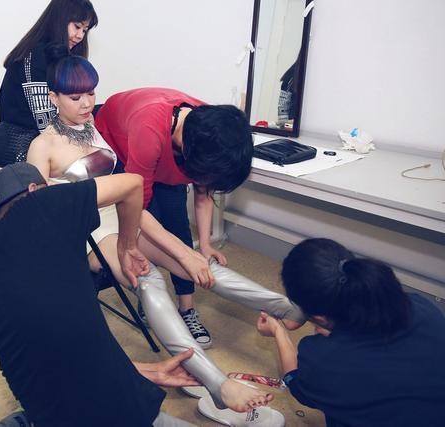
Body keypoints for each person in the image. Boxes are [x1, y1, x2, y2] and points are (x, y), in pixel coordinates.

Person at [26, 50, 304, 425]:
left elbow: (130, 196)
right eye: (76, 97)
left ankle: (291, 308)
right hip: (85, 229)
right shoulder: (43, 145)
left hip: (123, 215)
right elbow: (38, 213)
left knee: (196, 265)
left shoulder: (95, 129)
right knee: (150, 278)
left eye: (91, 93)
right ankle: (217, 384)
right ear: (53, 97)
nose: (87, 103)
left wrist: (186, 251)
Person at [0, 162, 208, 427]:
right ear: (36, 189)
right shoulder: (42, 203)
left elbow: (57, 342)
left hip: (45, 410)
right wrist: (126, 246)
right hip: (108, 413)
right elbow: (132, 184)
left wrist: (139, 371)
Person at [94, 87, 254, 347]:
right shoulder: (149, 132)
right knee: (144, 233)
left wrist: (204, 245)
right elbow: (135, 209)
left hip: (164, 145)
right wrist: (185, 255)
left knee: (178, 225)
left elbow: (203, 192)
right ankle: (148, 298)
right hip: (121, 143)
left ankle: (187, 309)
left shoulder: (210, 129)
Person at [256, 238, 445, 427]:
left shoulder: (322, 360)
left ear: (320, 317)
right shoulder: (420, 306)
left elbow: (296, 382)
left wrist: (278, 331)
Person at [0, 0, 98, 132]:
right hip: (28, 140)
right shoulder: (37, 57)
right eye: (77, 26)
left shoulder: (50, 53)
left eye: (85, 30)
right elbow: (46, 125)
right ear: (59, 20)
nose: (80, 36)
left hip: (39, 137)